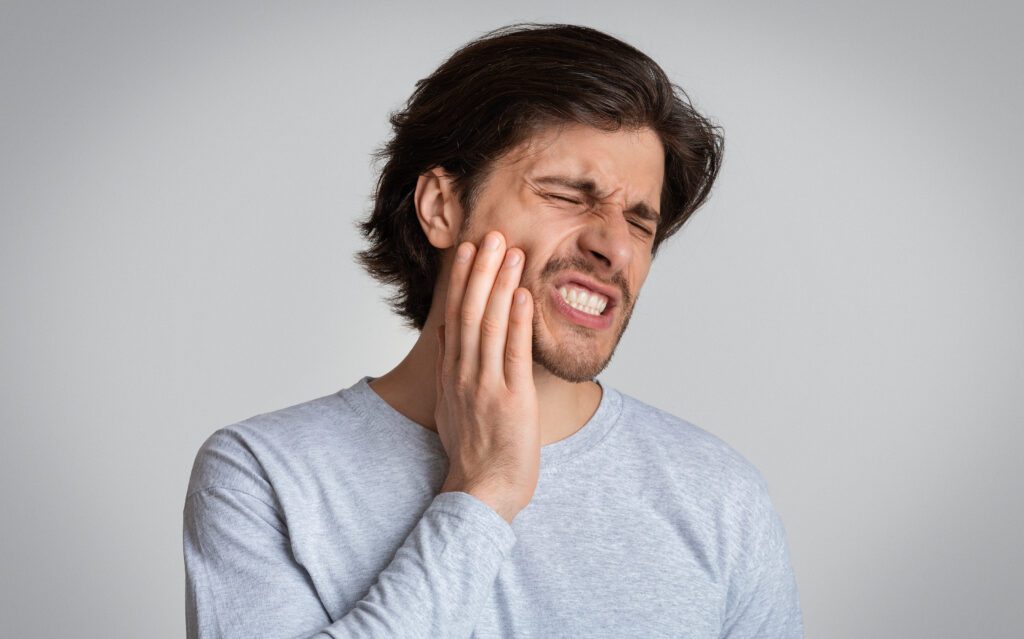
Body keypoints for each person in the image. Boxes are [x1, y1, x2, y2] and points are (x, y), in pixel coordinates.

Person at [183, 22, 804, 638]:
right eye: (567, 194)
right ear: (442, 208)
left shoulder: (720, 496)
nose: (616, 246)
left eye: (641, 224)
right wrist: (484, 492)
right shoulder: (264, 475)